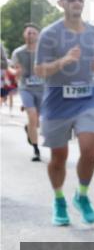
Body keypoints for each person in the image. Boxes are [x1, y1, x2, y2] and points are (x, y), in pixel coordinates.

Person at [34, 0, 94, 226]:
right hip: (57, 100)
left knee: (90, 149)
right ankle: (59, 199)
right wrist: (64, 61)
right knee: (58, 157)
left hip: (87, 98)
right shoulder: (49, 33)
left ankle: (82, 196)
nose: (77, 2)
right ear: (61, 3)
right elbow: (40, 70)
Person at [11, 23, 44, 162]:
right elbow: (13, 70)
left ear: (38, 36)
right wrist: (16, 72)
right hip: (26, 88)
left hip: (42, 89)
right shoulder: (18, 52)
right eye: (28, 33)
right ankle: (36, 150)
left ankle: (29, 129)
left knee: (36, 122)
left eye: (34, 33)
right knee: (32, 116)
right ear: (24, 35)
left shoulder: (44, 51)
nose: (31, 35)